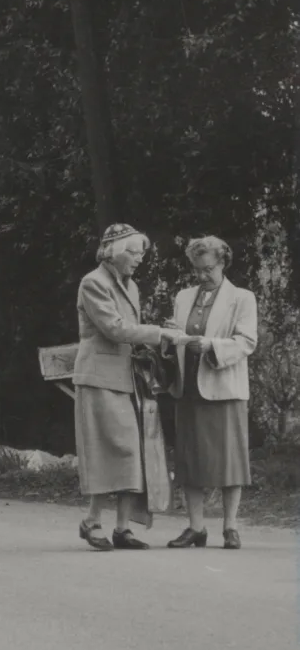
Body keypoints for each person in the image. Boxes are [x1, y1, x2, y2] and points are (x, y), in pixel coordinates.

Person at [72, 225, 186, 551]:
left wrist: (152, 343)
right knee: (103, 451)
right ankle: (92, 521)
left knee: (132, 452)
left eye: (141, 254)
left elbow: (131, 333)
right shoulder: (93, 283)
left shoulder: (130, 286)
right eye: (134, 253)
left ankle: (122, 529)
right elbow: (115, 328)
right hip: (97, 378)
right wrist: (159, 335)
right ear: (115, 251)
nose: (139, 260)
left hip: (126, 379)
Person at [164, 235, 258, 550]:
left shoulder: (242, 298)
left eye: (208, 269)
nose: (202, 276)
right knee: (190, 461)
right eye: (197, 270)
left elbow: (246, 342)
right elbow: (176, 337)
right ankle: (196, 527)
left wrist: (211, 346)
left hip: (225, 388)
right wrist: (170, 335)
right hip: (189, 388)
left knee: (230, 461)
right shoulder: (183, 296)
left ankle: (230, 527)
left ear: (222, 263)